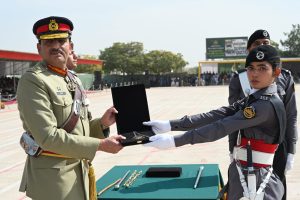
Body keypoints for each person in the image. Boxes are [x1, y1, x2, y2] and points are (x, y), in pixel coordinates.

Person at [143, 45, 286, 199]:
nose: (255, 73)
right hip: (245, 173)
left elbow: (222, 127)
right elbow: (218, 115)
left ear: (276, 72)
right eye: (251, 68)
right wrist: (171, 124)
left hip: (256, 182)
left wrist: (174, 141)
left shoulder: (264, 105)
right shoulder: (255, 98)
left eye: (262, 68)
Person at [17, 16, 125, 200]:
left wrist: (102, 125)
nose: (56, 45)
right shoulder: (34, 80)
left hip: (79, 173)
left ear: (70, 46)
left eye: (61, 40)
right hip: (53, 184)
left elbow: (76, 130)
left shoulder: (72, 79)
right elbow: (48, 137)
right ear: (39, 48)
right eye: (49, 41)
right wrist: (100, 145)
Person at [228, 29, 297, 200]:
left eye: (266, 43)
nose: (262, 46)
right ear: (248, 50)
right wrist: (231, 148)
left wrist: (292, 150)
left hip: (276, 147)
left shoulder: (284, 77)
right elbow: (230, 118)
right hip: (248, 148)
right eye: (257, 44)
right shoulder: (239, 79)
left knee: (276, 191)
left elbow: (291, 116)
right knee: (247, 192)